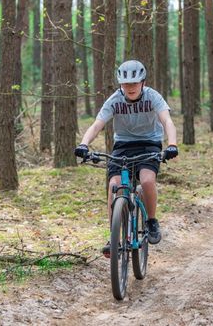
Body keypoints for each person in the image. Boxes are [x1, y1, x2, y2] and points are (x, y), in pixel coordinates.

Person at [74, 60, 178, 256]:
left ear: (143, 83)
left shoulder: (153, 97)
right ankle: (114, 236)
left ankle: (151, 221)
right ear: (121, 84)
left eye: (134, 83)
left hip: (149, 143)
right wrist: (83, 144)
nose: (130, 88)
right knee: (114, 186)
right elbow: (97, 125)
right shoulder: (114, 100)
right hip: (123, 146)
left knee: (146, 180)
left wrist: (172, 144)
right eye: (126, 84)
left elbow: (167, 120)